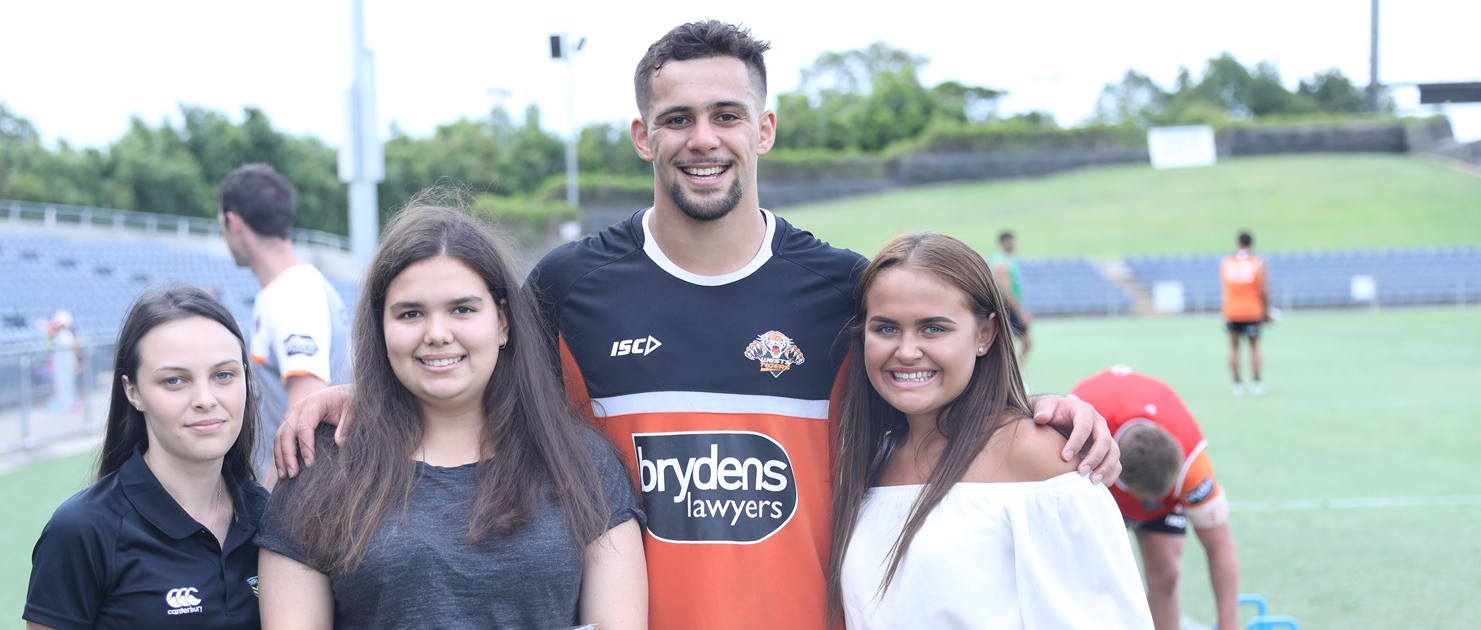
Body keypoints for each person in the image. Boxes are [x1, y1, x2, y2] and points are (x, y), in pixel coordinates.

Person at [275, 20, 1119, 630]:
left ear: (766, 129)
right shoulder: (570, 287)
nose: (702, 139)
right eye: (677, 119)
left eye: (726, 115)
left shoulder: (840, 289)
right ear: (643, 136)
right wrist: (353, 389)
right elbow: (459, 364)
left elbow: (930, 383)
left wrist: (1042, 408)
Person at [257, 195, 647, 629]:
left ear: (502, 323)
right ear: (381, 328)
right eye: (410, 314)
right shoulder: (322, 469)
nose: (437, 334)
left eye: (462, 309)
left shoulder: (582, 463)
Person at [828, 232, 1149, 627]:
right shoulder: (867, 459)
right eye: (886, 329)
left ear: (985, 334)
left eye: (933, 329)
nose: (907, 351)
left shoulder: (1037, 456)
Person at [24, 286, 265, 629]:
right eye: (174, 380)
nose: (205, 399)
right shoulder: (82, 530)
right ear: (133, 392)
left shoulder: (268, 515)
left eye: (223, 375)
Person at [1073, 365, 1241, 630]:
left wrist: (1229, 622)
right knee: (1089, 580)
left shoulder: (1192, 466)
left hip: (1142, 470)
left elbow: (1219, 542)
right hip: (1097, 488)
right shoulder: (1077, 444)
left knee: (1166, 573)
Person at [217, 163, 353, 489]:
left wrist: (266, 510)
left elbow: (305, 412)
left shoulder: (293, 295)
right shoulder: (291, 289)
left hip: (303, 500)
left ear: (232, 221)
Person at [1220, 230, 1269, 396]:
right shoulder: (1257, 262)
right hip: (1252, 311)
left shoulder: (1227, 261)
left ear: (1237, 242)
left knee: (1234, 348)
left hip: (1232, 311)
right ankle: (1256, 381)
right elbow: (1264, 291)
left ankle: (1237, 384)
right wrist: (1266, 311)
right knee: (1254, 347)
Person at [989, 230, 1032, 367]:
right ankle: (1011, 372)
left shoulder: (1009, 260)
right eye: (1012, 241)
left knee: (1017, 342)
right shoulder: (1001, 262)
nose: (1014, 244)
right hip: (1006, 306)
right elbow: (1006, 289)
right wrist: (1019, 313)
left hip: (1011, 305)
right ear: (1004, 242)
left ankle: (1013, 371)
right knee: (1021, 342)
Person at [46, 310, 81, 413]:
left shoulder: (65, 336)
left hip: (66, 366)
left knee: (67, 385)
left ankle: (68, 404)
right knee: (62, 385)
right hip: (61, 366)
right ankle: (65, 404)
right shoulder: (60, 336)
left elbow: (70, 354)